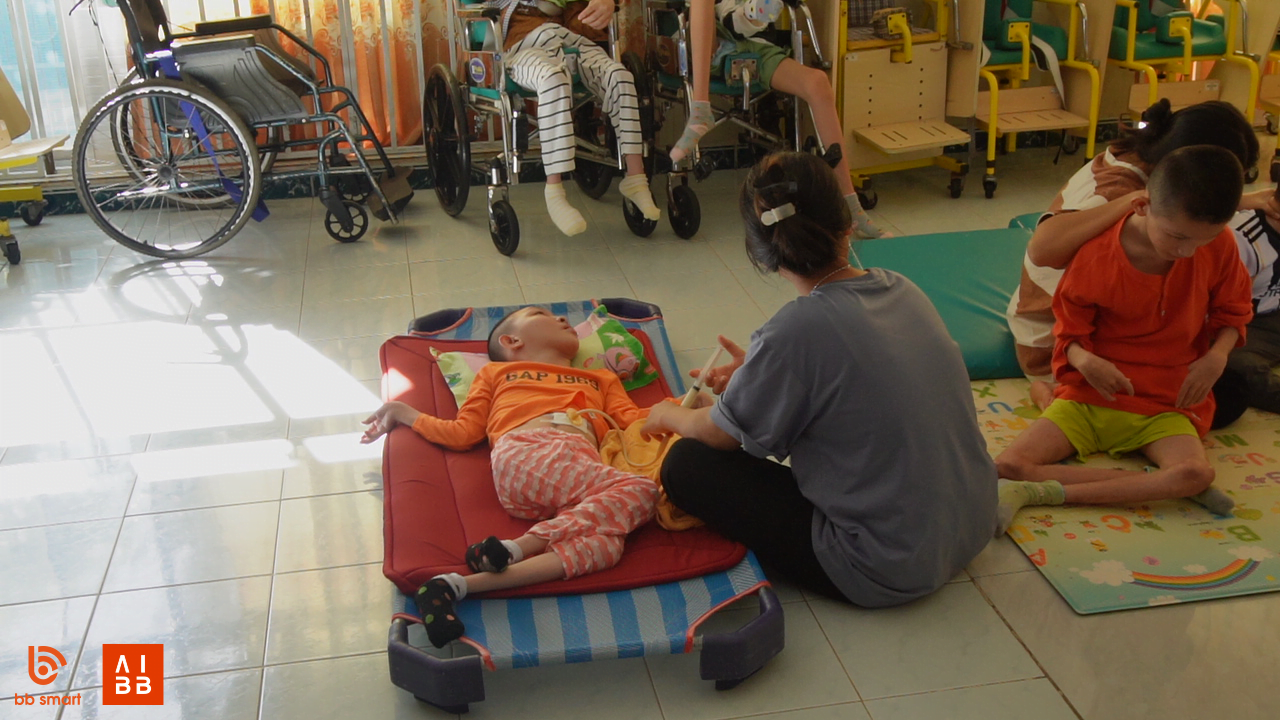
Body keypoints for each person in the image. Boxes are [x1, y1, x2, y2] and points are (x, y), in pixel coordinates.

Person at [644, 151, 996, 607]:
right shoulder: (900, 287)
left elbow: (719, 436)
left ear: (763, 255)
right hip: (972, 524)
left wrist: (669, 413)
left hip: (885, 564)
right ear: (847, 224)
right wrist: (759, 375)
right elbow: (851, 375)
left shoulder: (795, 331)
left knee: (686, 464)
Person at [360, 306, 663, 647]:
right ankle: (516, 548)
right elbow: (463, 432)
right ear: (511, 340)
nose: (563, 319)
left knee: (607, 547)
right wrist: (404, 412)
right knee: (642, 490)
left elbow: (631, 419)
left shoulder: (601, 378)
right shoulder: (497, 373)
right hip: (527, 450)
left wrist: (689, 408)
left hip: (574, 478)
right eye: (541, 314)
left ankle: (452, 586)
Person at [994, 146, 1253, 532]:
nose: (1186, 251)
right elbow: (1069, 333)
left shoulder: (1220, 245)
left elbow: (1234, 311)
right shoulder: (1098, 253)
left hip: (1168, 401)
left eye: (1202, 240)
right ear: (1142, 206)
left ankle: (1042, 491)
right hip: (1093, 395)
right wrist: (1083, 360)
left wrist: (1216, 356)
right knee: (1008, 465)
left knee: (1195, 473)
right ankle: (1146, 484)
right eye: (1176, 236)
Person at [1006, 99, 1268, 411]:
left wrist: (1244, 201)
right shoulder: (1119, 194)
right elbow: (1042, 249)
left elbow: (1231, 305)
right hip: (1055, 337)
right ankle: (1051, 390)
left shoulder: (1141, 158)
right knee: (1218, 394)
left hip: (1091, 320)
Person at [669, 0, 883, 237]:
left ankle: (852, 208)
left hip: (753, 46)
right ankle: (701, 110)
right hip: (708, 40)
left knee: (818, 83)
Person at [496, 0, 661, 235]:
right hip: (524, 46)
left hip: (569, 40)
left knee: (620, 77)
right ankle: (554, 192)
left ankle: (635, 179)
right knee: (553, 79)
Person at [1219, 183, 1280, 416]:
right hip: (1241, 323)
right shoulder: (1241, 238)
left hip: (1272, 311)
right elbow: (1222, 311)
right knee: (1237, 366)